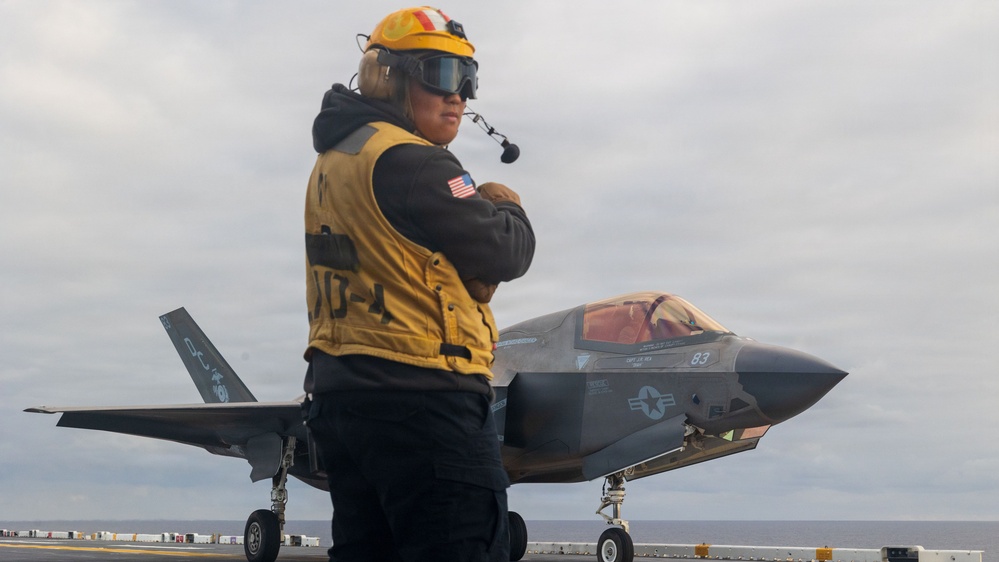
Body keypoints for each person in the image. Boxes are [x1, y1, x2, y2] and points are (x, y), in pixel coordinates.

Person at [302, 6, 535, 562]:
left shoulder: (335, 162)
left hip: (343, 399)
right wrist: (508, 205)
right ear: (389, 77)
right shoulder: (419, 163)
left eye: (467, 78)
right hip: (426, 402)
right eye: (440, 74)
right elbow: (507, 251)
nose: (459, 95)